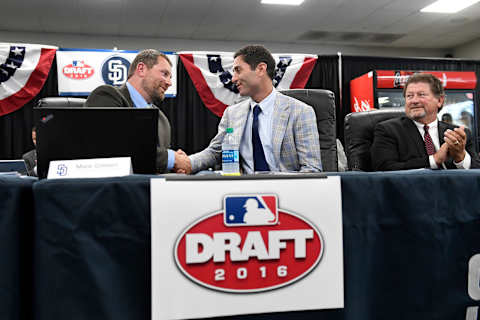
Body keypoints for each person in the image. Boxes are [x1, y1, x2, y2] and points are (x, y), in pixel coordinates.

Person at [175, 45, 322, 174]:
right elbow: (215, 152)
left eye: (238, 70)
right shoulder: (232, 114)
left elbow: (311, 169)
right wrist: (188, 162)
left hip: (286, 196)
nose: (233, 79)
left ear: (260, 69)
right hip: (244, 192)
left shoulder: (300, 112)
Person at [85, 49, 178, 173]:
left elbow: (158, 165)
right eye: (164, 74)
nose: (169, 83)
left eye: (170, 77)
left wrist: (176, 164)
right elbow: (111, 147)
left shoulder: (162, 120)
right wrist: (171, 158)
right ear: (141, 69)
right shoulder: (107, 96)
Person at [371, 73, 480, 171]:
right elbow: (383, 169)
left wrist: (460, 157)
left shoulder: (458, 134)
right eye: (409, 96)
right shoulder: (388, 131)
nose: (414, 101)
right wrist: (434, 160)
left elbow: (476, 172)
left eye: (421, 95)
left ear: (440, 100)